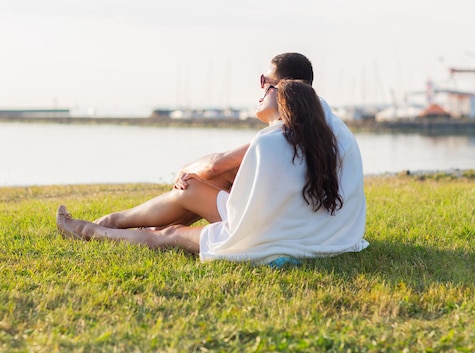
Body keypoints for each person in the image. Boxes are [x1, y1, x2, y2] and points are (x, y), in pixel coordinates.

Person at [56, 52, 369, 265]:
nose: (260, 90)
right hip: (329, 235)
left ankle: (93, 229)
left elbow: (216, 166)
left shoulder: (272, 140)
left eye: (265, 82)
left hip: (276, 236)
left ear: (279, 89)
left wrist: (185, 170)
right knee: (214, 181)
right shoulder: (332, 128)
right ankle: (114, 224)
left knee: (173, 229)